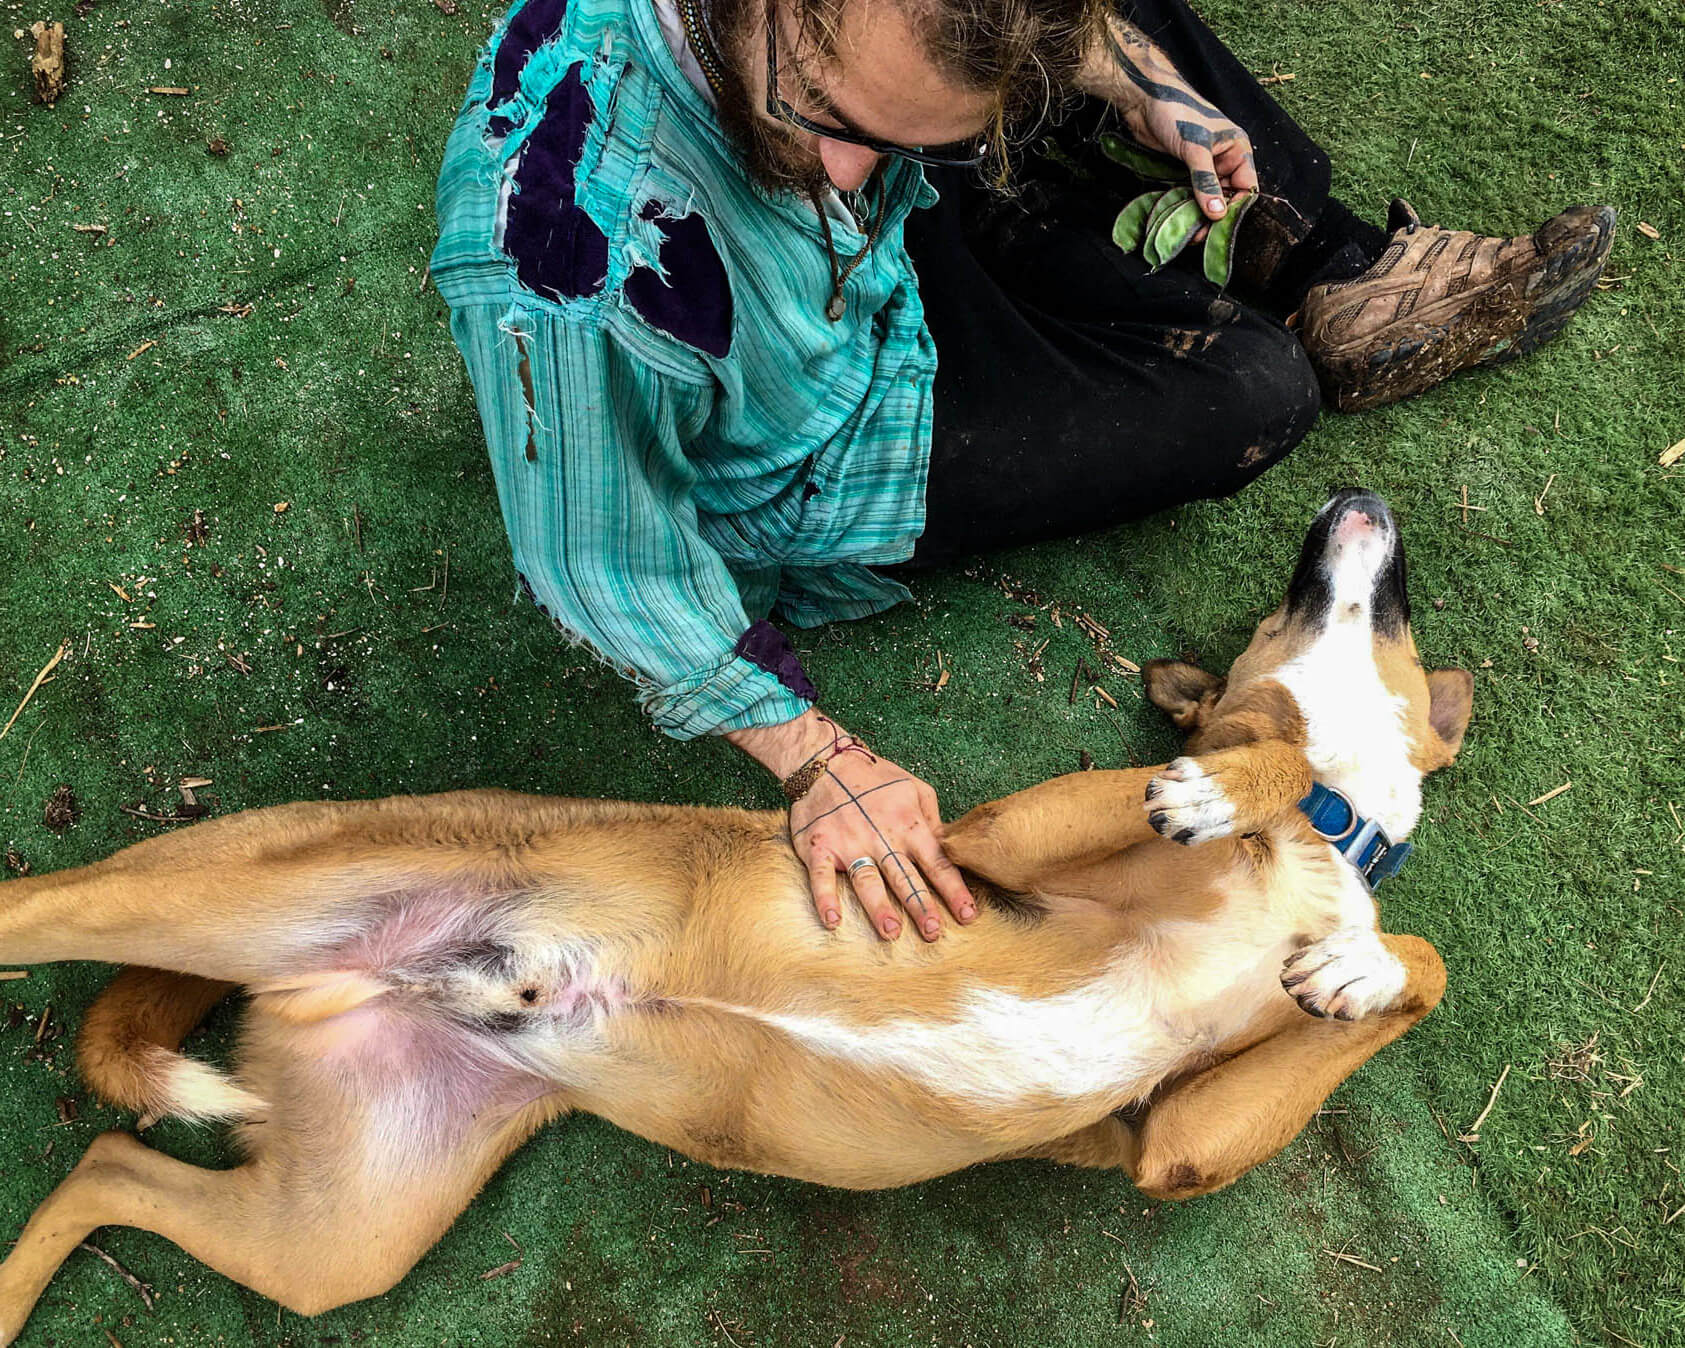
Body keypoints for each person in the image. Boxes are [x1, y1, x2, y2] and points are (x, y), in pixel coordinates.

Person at [430, 0, 1612, 943]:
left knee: (1093, 40)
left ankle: (1338, 273)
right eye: (829, 116)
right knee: (1255, 392)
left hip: (902, 240)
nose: (841, 176)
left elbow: (952, 84)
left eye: (899, 134)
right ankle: (1214, 262)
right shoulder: (567, 258)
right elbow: (600, 560)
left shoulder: (866, 123)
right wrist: (812, 757)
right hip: (831, 443)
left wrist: (1139, 91)